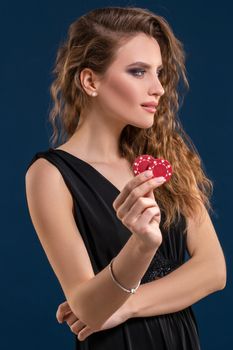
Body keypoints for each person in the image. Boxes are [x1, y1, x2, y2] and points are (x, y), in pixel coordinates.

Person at [25, 6, 227, 350]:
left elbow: (214, 270)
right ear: (90, 81)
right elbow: (88, 307)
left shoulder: (165, 160)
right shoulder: (50, 174)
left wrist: (126, 304)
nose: (159, 88)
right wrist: (142, 245)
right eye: (138, 72)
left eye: (160, 73)